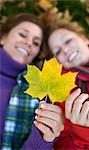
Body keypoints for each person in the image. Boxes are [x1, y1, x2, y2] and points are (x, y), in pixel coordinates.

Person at [0, 13, 64, 149]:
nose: (29, 43)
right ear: (3, 37)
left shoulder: (40, 94)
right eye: (23, 35)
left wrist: (43, 137)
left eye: (36, 43)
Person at [43, 16, 89, 149]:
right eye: (57, 51)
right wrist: (85, 133)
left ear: (84, 38)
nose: (65, 50)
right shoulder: (61, 95)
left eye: (68, 41)